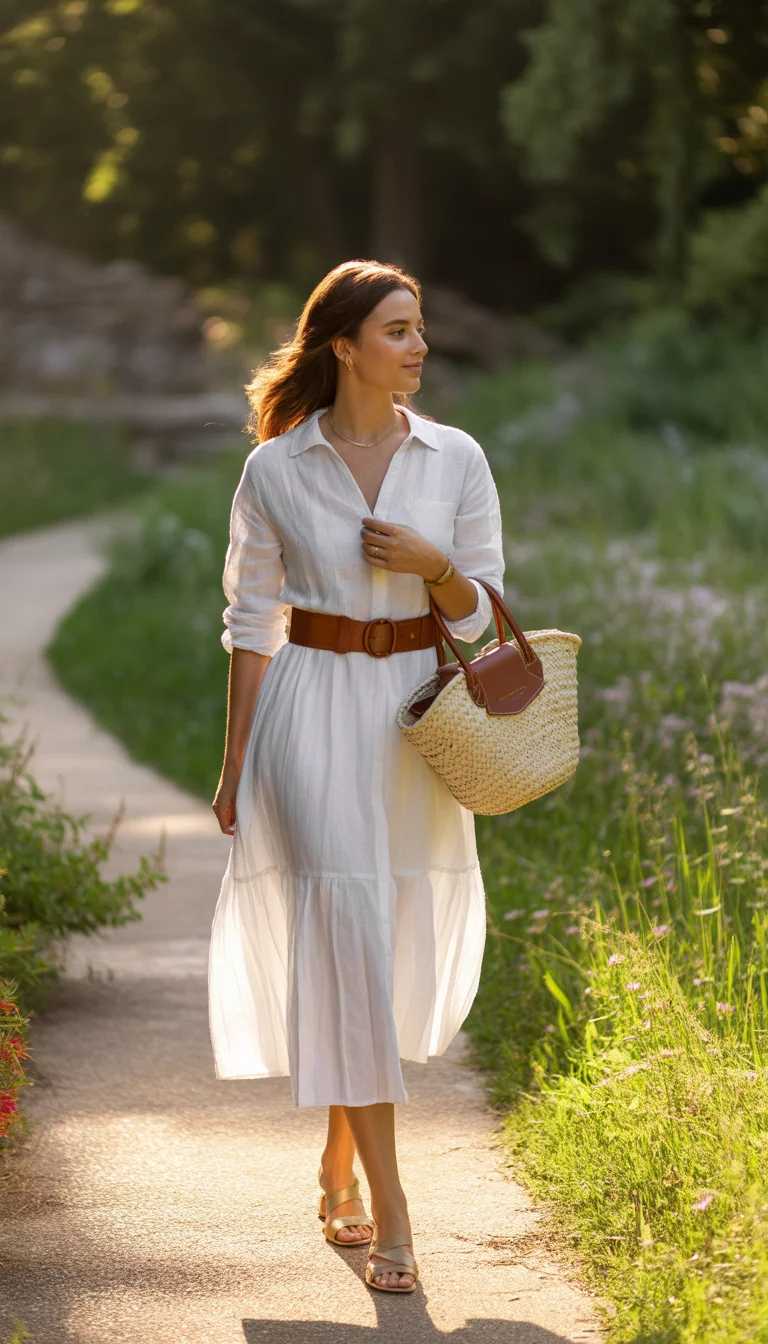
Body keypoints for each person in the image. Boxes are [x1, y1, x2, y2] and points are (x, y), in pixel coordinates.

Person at [208, 258, 505, 1293]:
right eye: (397, 330)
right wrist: (236, 760)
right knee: (344, 929)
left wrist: (434, 566)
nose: (418, 347)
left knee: (370, 953)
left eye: (420, 329)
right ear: (343, 345)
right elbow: (251, 623)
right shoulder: (276, 470)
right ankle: (394, 1208)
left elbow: (484, 616)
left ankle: (338, 1154)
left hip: (417, 723)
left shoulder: (456, 458)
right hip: (312, 712)